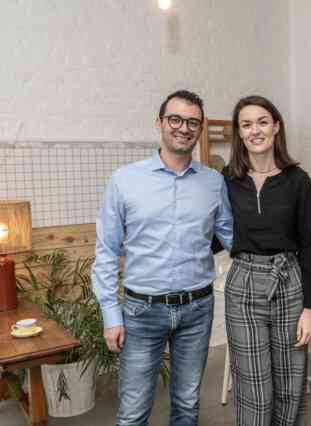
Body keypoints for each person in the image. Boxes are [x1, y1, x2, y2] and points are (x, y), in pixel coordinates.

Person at [91, 90, 233, 426]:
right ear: (160, 123)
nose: (184, 127)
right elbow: (107, 251)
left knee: (187, 405)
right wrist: (111, 313)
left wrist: (289, 236)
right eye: (176, 119)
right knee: (133, 411)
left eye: (192, 122)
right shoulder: (125, 180)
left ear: (199, 128)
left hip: (197, 310)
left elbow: (233, 236)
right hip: (142, 311)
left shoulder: (213, 182)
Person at [223, 95, 311, 426]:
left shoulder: (297, 180)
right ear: (239, 132)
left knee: (291, 386)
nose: (255, 130)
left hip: (288, 282)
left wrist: (310, 308)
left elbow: (307, 246)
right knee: (255, 392)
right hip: (243, 286)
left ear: (276, 127)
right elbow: (213, 236)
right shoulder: (228, 180)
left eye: (262, 122)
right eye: (246, 124)